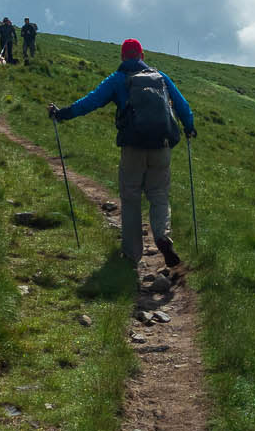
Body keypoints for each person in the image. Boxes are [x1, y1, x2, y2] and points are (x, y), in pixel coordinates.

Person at [49, 39, 195, 268]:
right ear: (142, 55)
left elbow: (92, 101)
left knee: (131, 197)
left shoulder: (118, 80)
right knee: (159, 194)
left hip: (133, 146)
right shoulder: (160, 77)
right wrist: (189, 126)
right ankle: (162, 236)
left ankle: (131, 254)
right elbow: (182, 105)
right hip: (161, 146)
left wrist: (63, 114)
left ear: (122, 57)